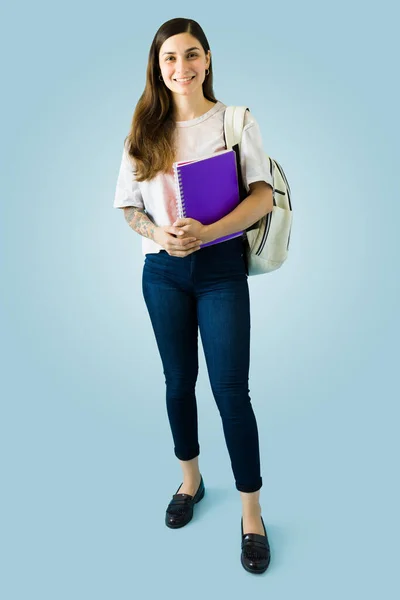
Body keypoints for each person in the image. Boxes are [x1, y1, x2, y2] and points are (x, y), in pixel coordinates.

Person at [113, 17, 274, 574]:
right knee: (178, 382)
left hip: (220, 269)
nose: (180, 68)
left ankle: (251, 514)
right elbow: (129, 206)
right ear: (157, 69)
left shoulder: (235, 121)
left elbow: (263, 199)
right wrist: (158, 234)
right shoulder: (143, 129)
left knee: (231, 390)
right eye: (169, 60)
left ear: (207, 59)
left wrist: (208, 232)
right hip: (163, 272)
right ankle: (191, 482)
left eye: (190, 55)